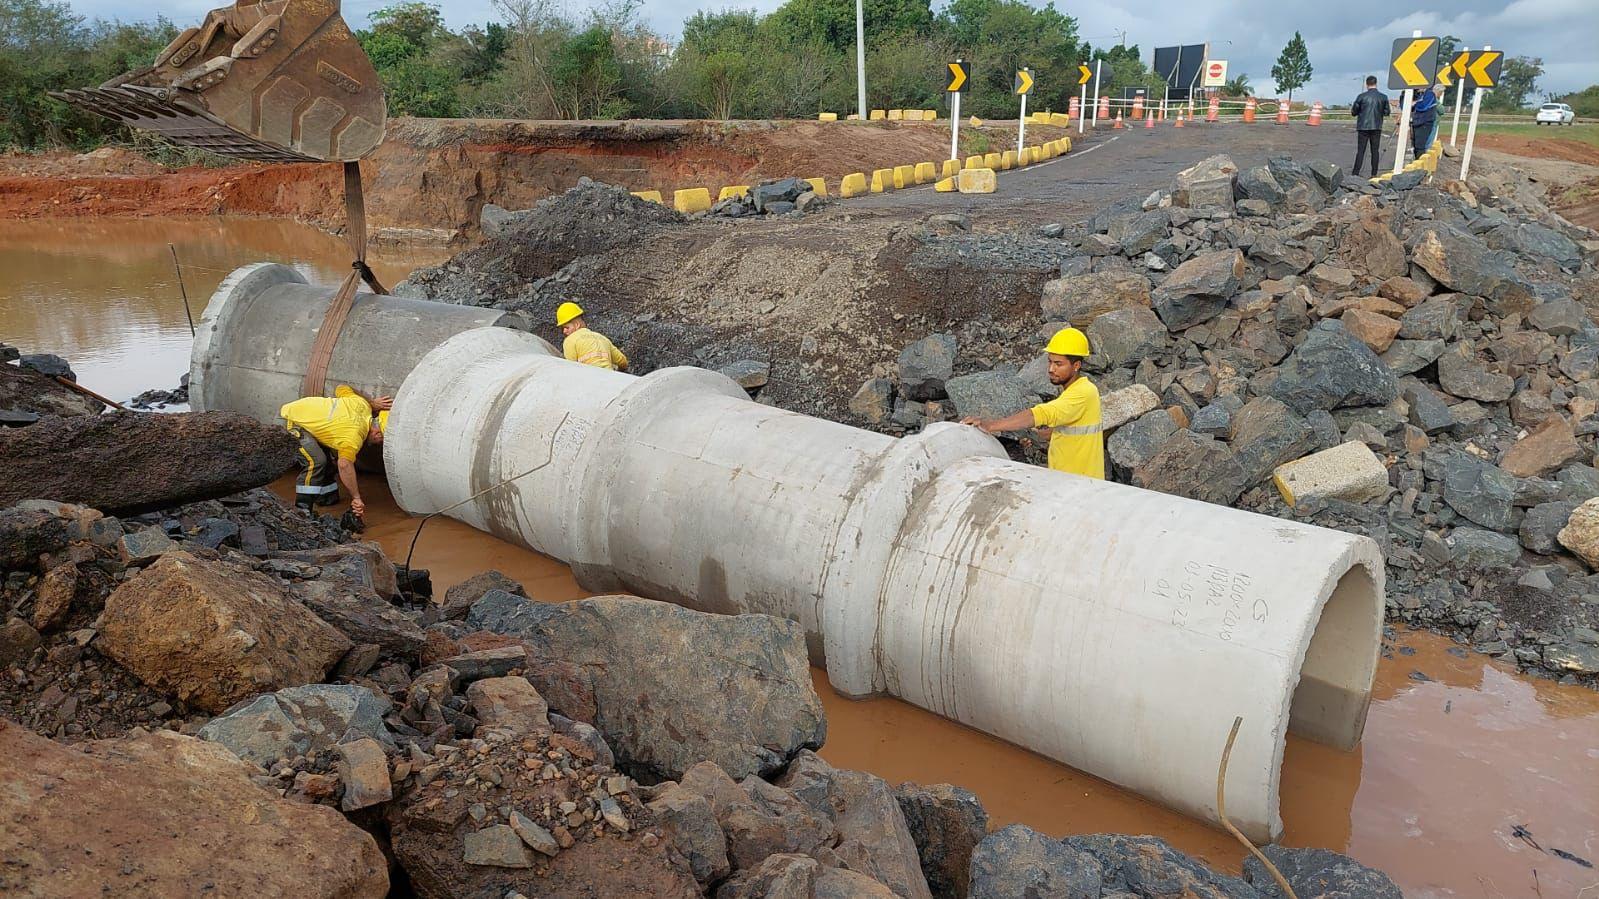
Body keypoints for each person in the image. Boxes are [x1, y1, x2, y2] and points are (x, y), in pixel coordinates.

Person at [960, 327, 1104, 479]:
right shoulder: (1073, 391)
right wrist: (1037, 438)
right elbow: (1066, 431)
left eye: (1058, 364)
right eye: (1050, 362)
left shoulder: (1084, 392)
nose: (1051, 369)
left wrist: (990, 425)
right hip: (1070, 480)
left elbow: (1041, 414)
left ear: (1076, 366)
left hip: (1082, 484)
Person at [280, 384, 391, 519]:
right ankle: (302, 510)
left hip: (305, 418)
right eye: (383, 440)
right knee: (316, 461)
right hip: (291, 421)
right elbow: (344, 464)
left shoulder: (362, 404)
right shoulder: (353, 437)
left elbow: (341, 387)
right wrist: (356, 497)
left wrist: (371, 403)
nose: (380, 444)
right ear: (377, 433)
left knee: (331, 454)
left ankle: (326, 496)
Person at [556, 301, 629, 371]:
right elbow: (623, 362)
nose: (564, 331)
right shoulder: (602, 338)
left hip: (589, 378)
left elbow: (570, 368)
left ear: (577, 325)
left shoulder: (570, 340)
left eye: (566, 327)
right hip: (609, 377)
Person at [1350, 76, 1390, 178]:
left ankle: (1355, 172)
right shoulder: (1383, 97)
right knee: (1375, 151)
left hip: (1363, 126)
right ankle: (1374, 173)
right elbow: (1387, 112)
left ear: (1366, 84)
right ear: (1376, 83)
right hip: (1376, 126)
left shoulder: (1361, 96)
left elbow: (1354, 112)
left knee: (1361, 151)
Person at [1410, 84, 1440, 158]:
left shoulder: (1430, 94)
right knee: (1416, 145)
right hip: (1418, 122)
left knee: (1420, 146)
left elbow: (1423, 106)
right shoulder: (1421, 95)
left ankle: (1420, 161)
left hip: (1424, 123)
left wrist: (1415, 104)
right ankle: (1417, 159)